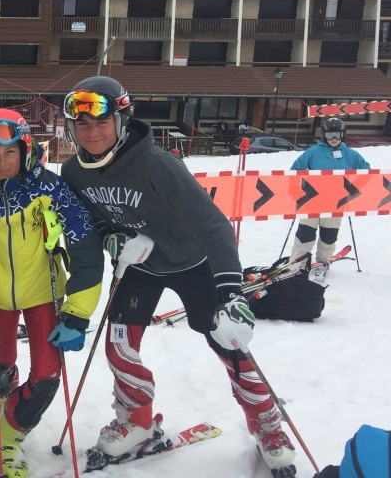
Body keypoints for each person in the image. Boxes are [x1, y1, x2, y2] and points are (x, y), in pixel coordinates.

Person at [59, 75, 297, 476]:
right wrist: (112, 237)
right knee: (119, 346)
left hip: (193, 262)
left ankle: (268, 424)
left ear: (121, 121)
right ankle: (136, 421)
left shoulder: (156, 164)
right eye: (82, 124)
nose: (92, 132)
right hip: (140, 265)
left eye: (102, 122)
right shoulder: (74, 171)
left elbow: (213, 225)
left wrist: (231, 292)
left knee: (228, 342)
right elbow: (92, 219)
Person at [0, 108, 103, 478]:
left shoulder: (49, 186)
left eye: (10, 151)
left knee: (46, 377)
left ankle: (8, 435)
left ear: (25, 149)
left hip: (44, 294)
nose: (1, 162)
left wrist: (77, 314)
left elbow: (86, 249)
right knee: (2, 366)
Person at [289, 116, 369, 283]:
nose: (334, 139)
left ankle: (322, 263)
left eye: (337, 135)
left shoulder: (351, 155)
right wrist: (297, 192)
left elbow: (367, 172)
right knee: (305, 234)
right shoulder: (313, 152)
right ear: (323, 135)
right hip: (311, 201)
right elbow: (295, 170)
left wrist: (353, 190)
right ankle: (298, 264)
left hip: (335, 203)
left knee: (329, 235)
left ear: (343, 134)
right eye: (330, 135)